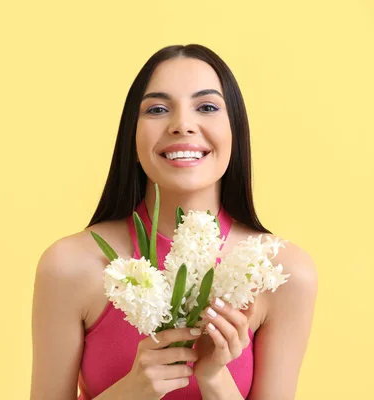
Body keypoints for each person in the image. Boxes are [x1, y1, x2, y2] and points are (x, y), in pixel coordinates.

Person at [30, 44, 318, 400]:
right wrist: (132, 391)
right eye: (158, 109)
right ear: (131, 137)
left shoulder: (281, 271)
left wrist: (214, 377)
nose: (182, 124)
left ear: (235, 132)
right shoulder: (70, 266)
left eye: (207, 107)